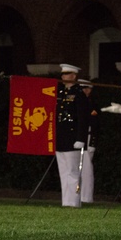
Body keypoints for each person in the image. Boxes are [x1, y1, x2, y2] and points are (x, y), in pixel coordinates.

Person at [54, 63, 91, 208]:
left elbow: (83, 118)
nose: (63, 76)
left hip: (72, 136)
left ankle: (74, 202)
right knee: (63, 171)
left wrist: (81, 138)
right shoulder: (62, 94)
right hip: (61, 136)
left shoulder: (79, 94)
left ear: (74, 76)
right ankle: (66, 201)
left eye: (67, 74)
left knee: (72, 171)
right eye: (62, 74)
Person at [77, 78, 98, 204]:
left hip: (88, 137)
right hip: (80, 137)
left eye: (87, 88)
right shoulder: (81, 102)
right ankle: (79, 194)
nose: (86, 90)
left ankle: (86, 196)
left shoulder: (91, 103)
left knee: (87, 168)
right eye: (83, 88)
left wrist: (92, 143)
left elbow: (94, 124)